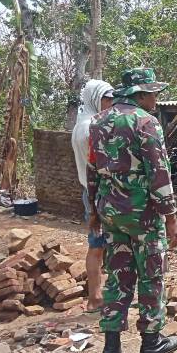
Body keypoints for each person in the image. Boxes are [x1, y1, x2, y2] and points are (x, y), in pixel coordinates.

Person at [86, 67, 177, 353]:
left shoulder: (98, 122)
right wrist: (171, 218)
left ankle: (110, 351)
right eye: (152, 92)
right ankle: (150, 344)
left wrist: (92, 213)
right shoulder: (146, 122)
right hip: (144, 215)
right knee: (151, 276)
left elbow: (92, 170)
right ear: (140, 94)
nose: (156, 98)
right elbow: (159, 173)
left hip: (111, 214)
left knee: (117, 276)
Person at [71, 79, 114, 313]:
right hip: (99, 192)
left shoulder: (83, 124)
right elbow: (98, 167)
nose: (111, 103)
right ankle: (96, 297)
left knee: (99, 245)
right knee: (99, 245)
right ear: (94, 99)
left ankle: (97, 295)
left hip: (92, 191)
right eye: (106, 98)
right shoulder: (90, 128)